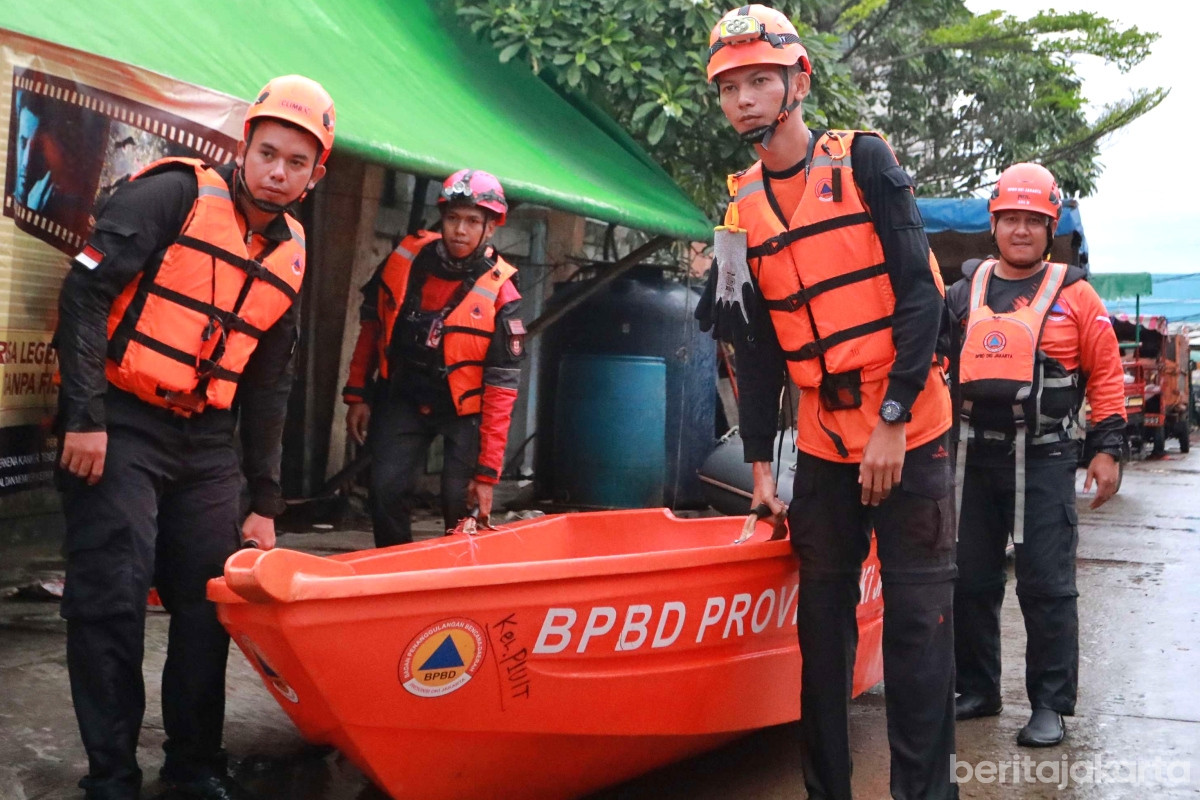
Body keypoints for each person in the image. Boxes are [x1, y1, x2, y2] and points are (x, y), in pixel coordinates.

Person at [695, 6, 957, 798]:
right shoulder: (739, 213)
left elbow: (921, 298)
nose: (743, 99)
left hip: (908, 429)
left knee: (916, 630)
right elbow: (756, 345)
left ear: (797, 82)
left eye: (759, 81)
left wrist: (892, 421)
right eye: (729, 87)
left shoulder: (866, 162)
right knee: (821, 633)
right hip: (819, 442)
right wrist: (760, 467)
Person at [54, 74, 334, 800]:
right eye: (268, 152)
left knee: (211, 600)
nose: (277, 172)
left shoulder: (295, 252)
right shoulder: (171, 194)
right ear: (245, 145)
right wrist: (84, 417)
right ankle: (111, 775)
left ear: (315, 173)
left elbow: (271, 381)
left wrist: (264, 498)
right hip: (122, 420)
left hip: (207, 440)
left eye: (296, 163)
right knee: (111, 594)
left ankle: (194, 764)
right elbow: (83, 293)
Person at [947, 162, 1124, 747]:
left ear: (1050, 229)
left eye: (1033, 221)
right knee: (969, 581)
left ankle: (1049, 704)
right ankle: (978, 688)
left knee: (1046, 587)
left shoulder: (1076, 294)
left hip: (1045, 459)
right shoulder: (962, 290)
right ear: (994, 223)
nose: (1021, 230)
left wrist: (1108, 449)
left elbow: (1106, 375)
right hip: (971, 458)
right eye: (1011, 219)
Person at [343, 169, 524, 547]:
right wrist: (358, 394)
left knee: (461, 503)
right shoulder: (404, 260)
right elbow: (373, 325)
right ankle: (394, 578)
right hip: (405, 395)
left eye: (473, 221)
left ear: (490, 229)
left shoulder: (501, 294)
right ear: (441, 218)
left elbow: (502, 390)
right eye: (453, 218)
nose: (460, 230)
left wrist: (488, 474)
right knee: (384, 489)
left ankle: (458, 591)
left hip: (465, 410)